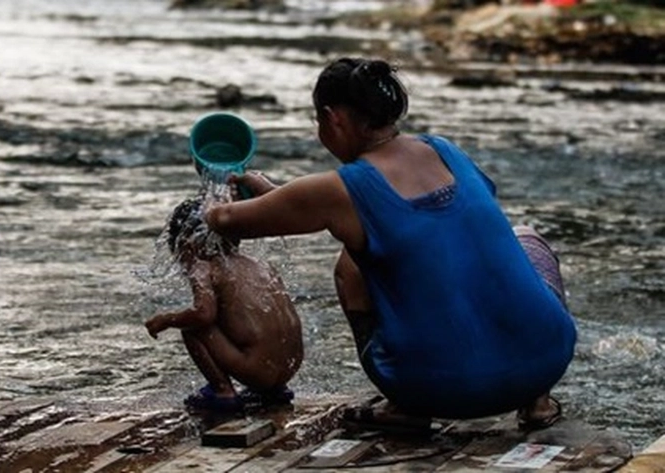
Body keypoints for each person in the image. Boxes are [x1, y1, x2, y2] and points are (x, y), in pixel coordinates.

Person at [204, 57, 577, 427]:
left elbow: (223, 220)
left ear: (334, 118)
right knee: (525, 236)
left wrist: (216, 184)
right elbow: (444, 228)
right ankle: (538, 403)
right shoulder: (445, 150)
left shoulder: (341, 189)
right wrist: (278, 195)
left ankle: (403, 405)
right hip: (547, 361)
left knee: (351, 265)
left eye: (317, 121)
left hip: (436, 389)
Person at [144, 196, 303, 411]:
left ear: (188, 244)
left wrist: (165, 320)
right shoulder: (261, 266)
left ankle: (222, 391)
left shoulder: (203, 267)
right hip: (290, 366)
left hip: (258, 371)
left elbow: (203, 314)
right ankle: (273, 390)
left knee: (193, 327)